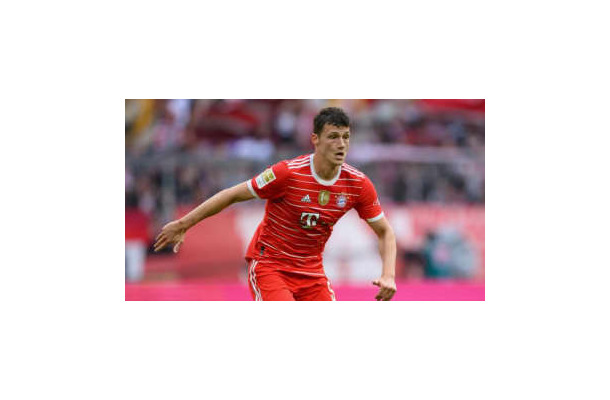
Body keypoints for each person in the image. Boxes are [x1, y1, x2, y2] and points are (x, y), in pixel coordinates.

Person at [154, 107, 397, 301]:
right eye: (333, 137)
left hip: (311, 273)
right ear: (315, 139)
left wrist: (388, 275)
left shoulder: (357, 184)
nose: (341, 144)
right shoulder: (287, 173)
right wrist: (183, 224)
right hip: (270, 266)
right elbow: (232, 195)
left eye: (345, 137)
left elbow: (385, 232)